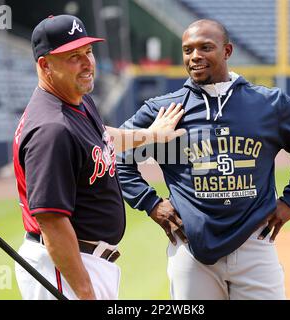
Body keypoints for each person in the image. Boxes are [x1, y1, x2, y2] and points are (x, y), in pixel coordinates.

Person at [117, 19, 290, 300]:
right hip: (191, 248)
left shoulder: (268, 104)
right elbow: (118, 156)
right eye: (188, 50)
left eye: (206, 47)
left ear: (227, 51)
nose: (195, 57)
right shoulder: (164, 110)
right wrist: (150, 203)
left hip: (255, 243)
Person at [13, 14, 184, 300]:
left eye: (88, 52)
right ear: (45, 65)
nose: (87, 63)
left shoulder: (75, 101)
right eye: (73, 56)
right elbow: (52, 221)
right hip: (64, 268)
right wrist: (84, 292)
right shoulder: (51, 129)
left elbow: (100, 137)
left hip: (85, 262)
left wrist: (150, 135)